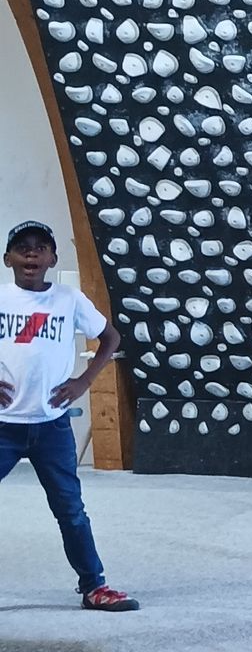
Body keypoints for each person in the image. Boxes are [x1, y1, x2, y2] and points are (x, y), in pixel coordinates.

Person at [0, 220, 136, 612]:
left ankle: (94, 586)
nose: (31, 253)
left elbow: (110, 337)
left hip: (51, 426)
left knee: (71, 510)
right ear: (7, 258)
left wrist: (84, 381)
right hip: (5, 425)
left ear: (52, 258)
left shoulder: (68, 299)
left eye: (40, 247)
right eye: (22, 247)